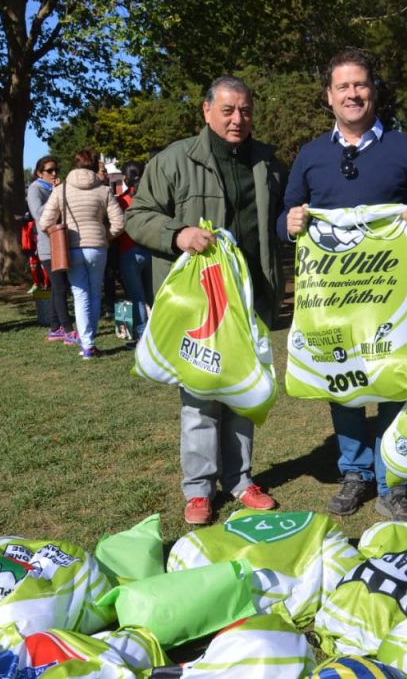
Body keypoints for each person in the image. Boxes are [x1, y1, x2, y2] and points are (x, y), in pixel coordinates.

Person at [280, 48, 407, 524]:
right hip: (335, 304)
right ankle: (355, 473)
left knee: (396, 381)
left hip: (390, 302)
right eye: (343, 87)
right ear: (329, 98)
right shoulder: (312, 155)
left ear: (373, 92)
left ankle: (392, 483)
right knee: (345, 386)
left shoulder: (404, 149)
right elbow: (286, 216)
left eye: (361, 85)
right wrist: (291, 220)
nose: (353, 94)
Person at [126, 75, 285, 525]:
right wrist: (177, 234)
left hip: (249, 296)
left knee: (242, 390)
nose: (238, 119)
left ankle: (240, 480)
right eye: (229, 110)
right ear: (206, 110)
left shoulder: (268, 163)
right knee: (199, 396)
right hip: (200, 304)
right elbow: (137, 217)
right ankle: (198, 489)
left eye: (246, 110)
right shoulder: (175, 159)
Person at [38, 148, 125, 359]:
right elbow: (120, 223)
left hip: (72, 248)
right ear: (96, 166)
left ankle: (87, 343)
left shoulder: (62, 190)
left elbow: (44, 222)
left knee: (80, 295)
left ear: (74, 165)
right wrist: (105, 236)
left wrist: (58, 236)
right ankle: (89, 342)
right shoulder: (104, 190)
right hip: (97, 247)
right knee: (95, 293)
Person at [27, 155, 77, 345]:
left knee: (60, 287)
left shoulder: (55, 189)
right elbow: (38, 214)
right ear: (40, 173)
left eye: (56, 169)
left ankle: (55, 328)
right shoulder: (35, 189)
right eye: (49, 170)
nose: (54, 173)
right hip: (48, 245)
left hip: (60, 242)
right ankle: (68, 329)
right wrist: (55, 196)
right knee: (60, 287)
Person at [116, 160, 152, 345]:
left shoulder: (121, 200)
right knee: (153, 294)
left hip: (128, 251)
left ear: (124, 178)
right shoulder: (150, 197)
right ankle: (160, 332)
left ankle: (142, 335)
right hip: (150, 249)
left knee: (137, 297)